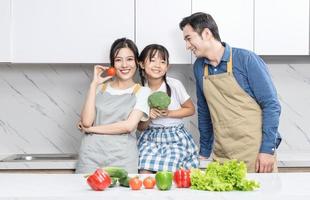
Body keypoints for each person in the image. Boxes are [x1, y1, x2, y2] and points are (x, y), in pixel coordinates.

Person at [179, 12, 282, 173]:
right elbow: (204, 111)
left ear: (206, 33)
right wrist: (204, 153)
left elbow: (271, 105)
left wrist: (268, 150)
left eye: (189, 38)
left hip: (255, 153)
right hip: (223, 154)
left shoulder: (246, 59)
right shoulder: (199, 67)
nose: (187, 46)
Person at [75, 38, 150, 174]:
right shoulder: (99, 89)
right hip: (90, 157)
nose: (124, 65)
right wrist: (94, 84)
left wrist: (91, 129)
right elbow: (86, 121)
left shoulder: (143, 92)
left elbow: (128, 126)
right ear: (112, 65)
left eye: (129, 59)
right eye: (118, 60)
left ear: (136, 62)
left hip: (123, 159)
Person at [137, 44, 199, 173]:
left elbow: (190, 109)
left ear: (167, 66)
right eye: (152, 60)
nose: (158, 65)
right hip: (150, 138)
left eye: (163, 61)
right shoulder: (140, 90)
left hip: (175, 137)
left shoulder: (174, 84)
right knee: (143, 171)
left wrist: (169, 113)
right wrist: (149, 116)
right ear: (142, 64)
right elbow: (140, 127)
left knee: (170, 171)